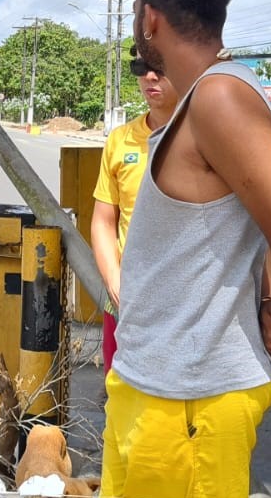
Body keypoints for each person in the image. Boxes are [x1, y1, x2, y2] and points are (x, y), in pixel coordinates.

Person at [98, 0, 271, 498]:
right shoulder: (206, 98)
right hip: (158, 385)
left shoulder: (219, 97)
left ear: (149, 16)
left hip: (188, 400)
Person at [89, 50, 177, 368]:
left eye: (160, 66)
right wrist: (115, 281)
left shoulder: (209, 137)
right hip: (127, 301)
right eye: (141, 67)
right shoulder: (120, 140)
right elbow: (103, 220)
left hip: (187, 307)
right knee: (122, 398)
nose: (150, 77)